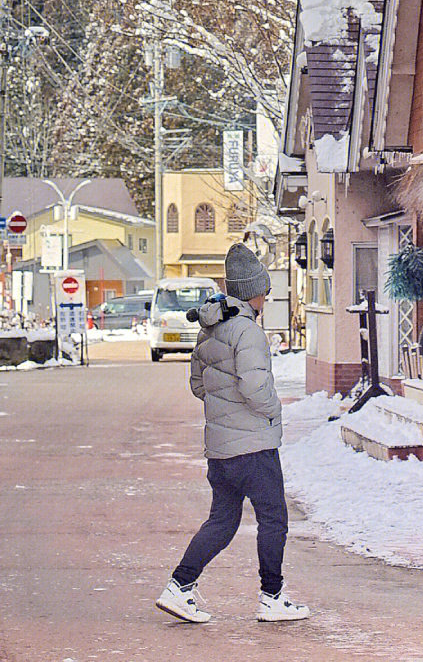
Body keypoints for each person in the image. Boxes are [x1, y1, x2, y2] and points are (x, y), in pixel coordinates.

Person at [156, 241, 309, 625]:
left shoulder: (209, 331)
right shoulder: (249, 333)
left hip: (221, 449)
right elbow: (256, 389)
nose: (268, 296)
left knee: (222, 522)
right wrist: (274, 412)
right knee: (274, 519)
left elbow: (198, 386)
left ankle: (180, 586)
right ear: (252, 291)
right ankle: (272, 597)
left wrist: (226, 406)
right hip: (253, 447)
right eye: (265, 290)